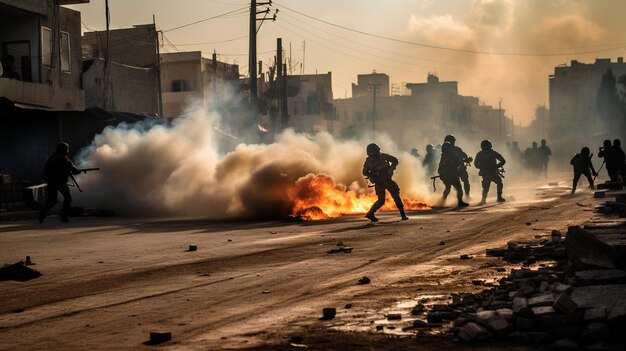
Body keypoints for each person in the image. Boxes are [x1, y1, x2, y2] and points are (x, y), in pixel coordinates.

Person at [362, 143, 408, 222]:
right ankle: (370, 214)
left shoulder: (384, 156)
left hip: (387, 180)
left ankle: (403, 214)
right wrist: (372, 175)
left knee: (395, 196)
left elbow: (395, 161)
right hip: (379, 182)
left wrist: (391, 169)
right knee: (382, 200)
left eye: (374, 153)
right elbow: (364, 172)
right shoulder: (369, 161)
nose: (373, 155)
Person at [38, 142, 81, 223]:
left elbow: (46, 171)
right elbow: (72, 168)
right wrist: (76, 171)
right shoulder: (64, 158)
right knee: (67, 198)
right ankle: (64, 217)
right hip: (60, 183)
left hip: (51, 182)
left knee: (52, 200)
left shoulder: (52, 158)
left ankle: (42, 214)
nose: (67, 151)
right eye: (66, 149)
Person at [474, 139, 506, 205]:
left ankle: (484, 200)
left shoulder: (480, 154)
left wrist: (493, 167)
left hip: (488, 173)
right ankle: (498, 197)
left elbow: (476, 164)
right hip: (489, 173)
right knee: (498, 183)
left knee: (486, 187)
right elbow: (503, 161)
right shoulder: (493, 153)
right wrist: (496, 166)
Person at [438, 142, 469, 208]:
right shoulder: (453, 155)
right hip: (452, 175)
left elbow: (440, 166)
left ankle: (442, 201)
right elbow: (460, 163)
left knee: (447, 188)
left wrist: (442, 173)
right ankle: (460, 202)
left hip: (444, 175)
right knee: (459, 188)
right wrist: (461, 167)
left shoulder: (443, 155)